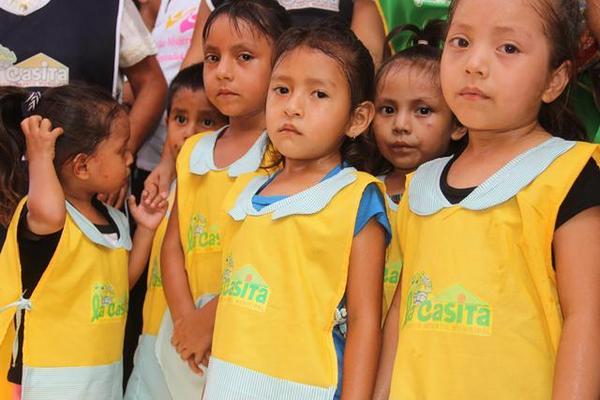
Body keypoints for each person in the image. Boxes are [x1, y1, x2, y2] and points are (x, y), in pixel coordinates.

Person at [375, 0, 600, 398]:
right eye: (460, 41)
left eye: (508, 48)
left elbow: (588, 319)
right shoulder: (420, 184)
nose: (474, 63)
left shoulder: (569, 174)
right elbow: (399, 315)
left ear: (555, 79)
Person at [202, 24, 389, 400]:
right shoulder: (245, 191)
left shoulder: (355, 198)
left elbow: (366, 323)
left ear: (357, 119)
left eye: (318, 93)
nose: (292, 106)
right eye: (282, 89)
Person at [0, 83, 167, 400]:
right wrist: (40, 157)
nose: (131, 158)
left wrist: (145, 229)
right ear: (82, 165)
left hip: (99, 380)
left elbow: (120, 283)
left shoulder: (114, 220)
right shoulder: (46, 215)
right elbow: (50, 212)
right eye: (121, 150)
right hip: (47, 383)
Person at [159, 0, 290, 393]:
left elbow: (276, 254)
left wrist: (209, 321)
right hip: (188, 335)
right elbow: (172, 247)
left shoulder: (284, 153)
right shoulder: (194, 150)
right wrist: (186, 321)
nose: (223, 72)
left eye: (244, 57)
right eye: (213, 57)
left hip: (251, 326)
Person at [125, 63, 227, 400]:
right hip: (153, 337)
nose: (189, 133)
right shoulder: (157, 194)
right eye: (180, 119)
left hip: (203, 341)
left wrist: (190, 324)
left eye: (207, 121)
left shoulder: (232, 189)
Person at [370, 21, 464, 315]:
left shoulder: (463, 199)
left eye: (423, 110)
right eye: (388, 109)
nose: (400, 125)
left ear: (458, 123)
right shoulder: (361, 190)